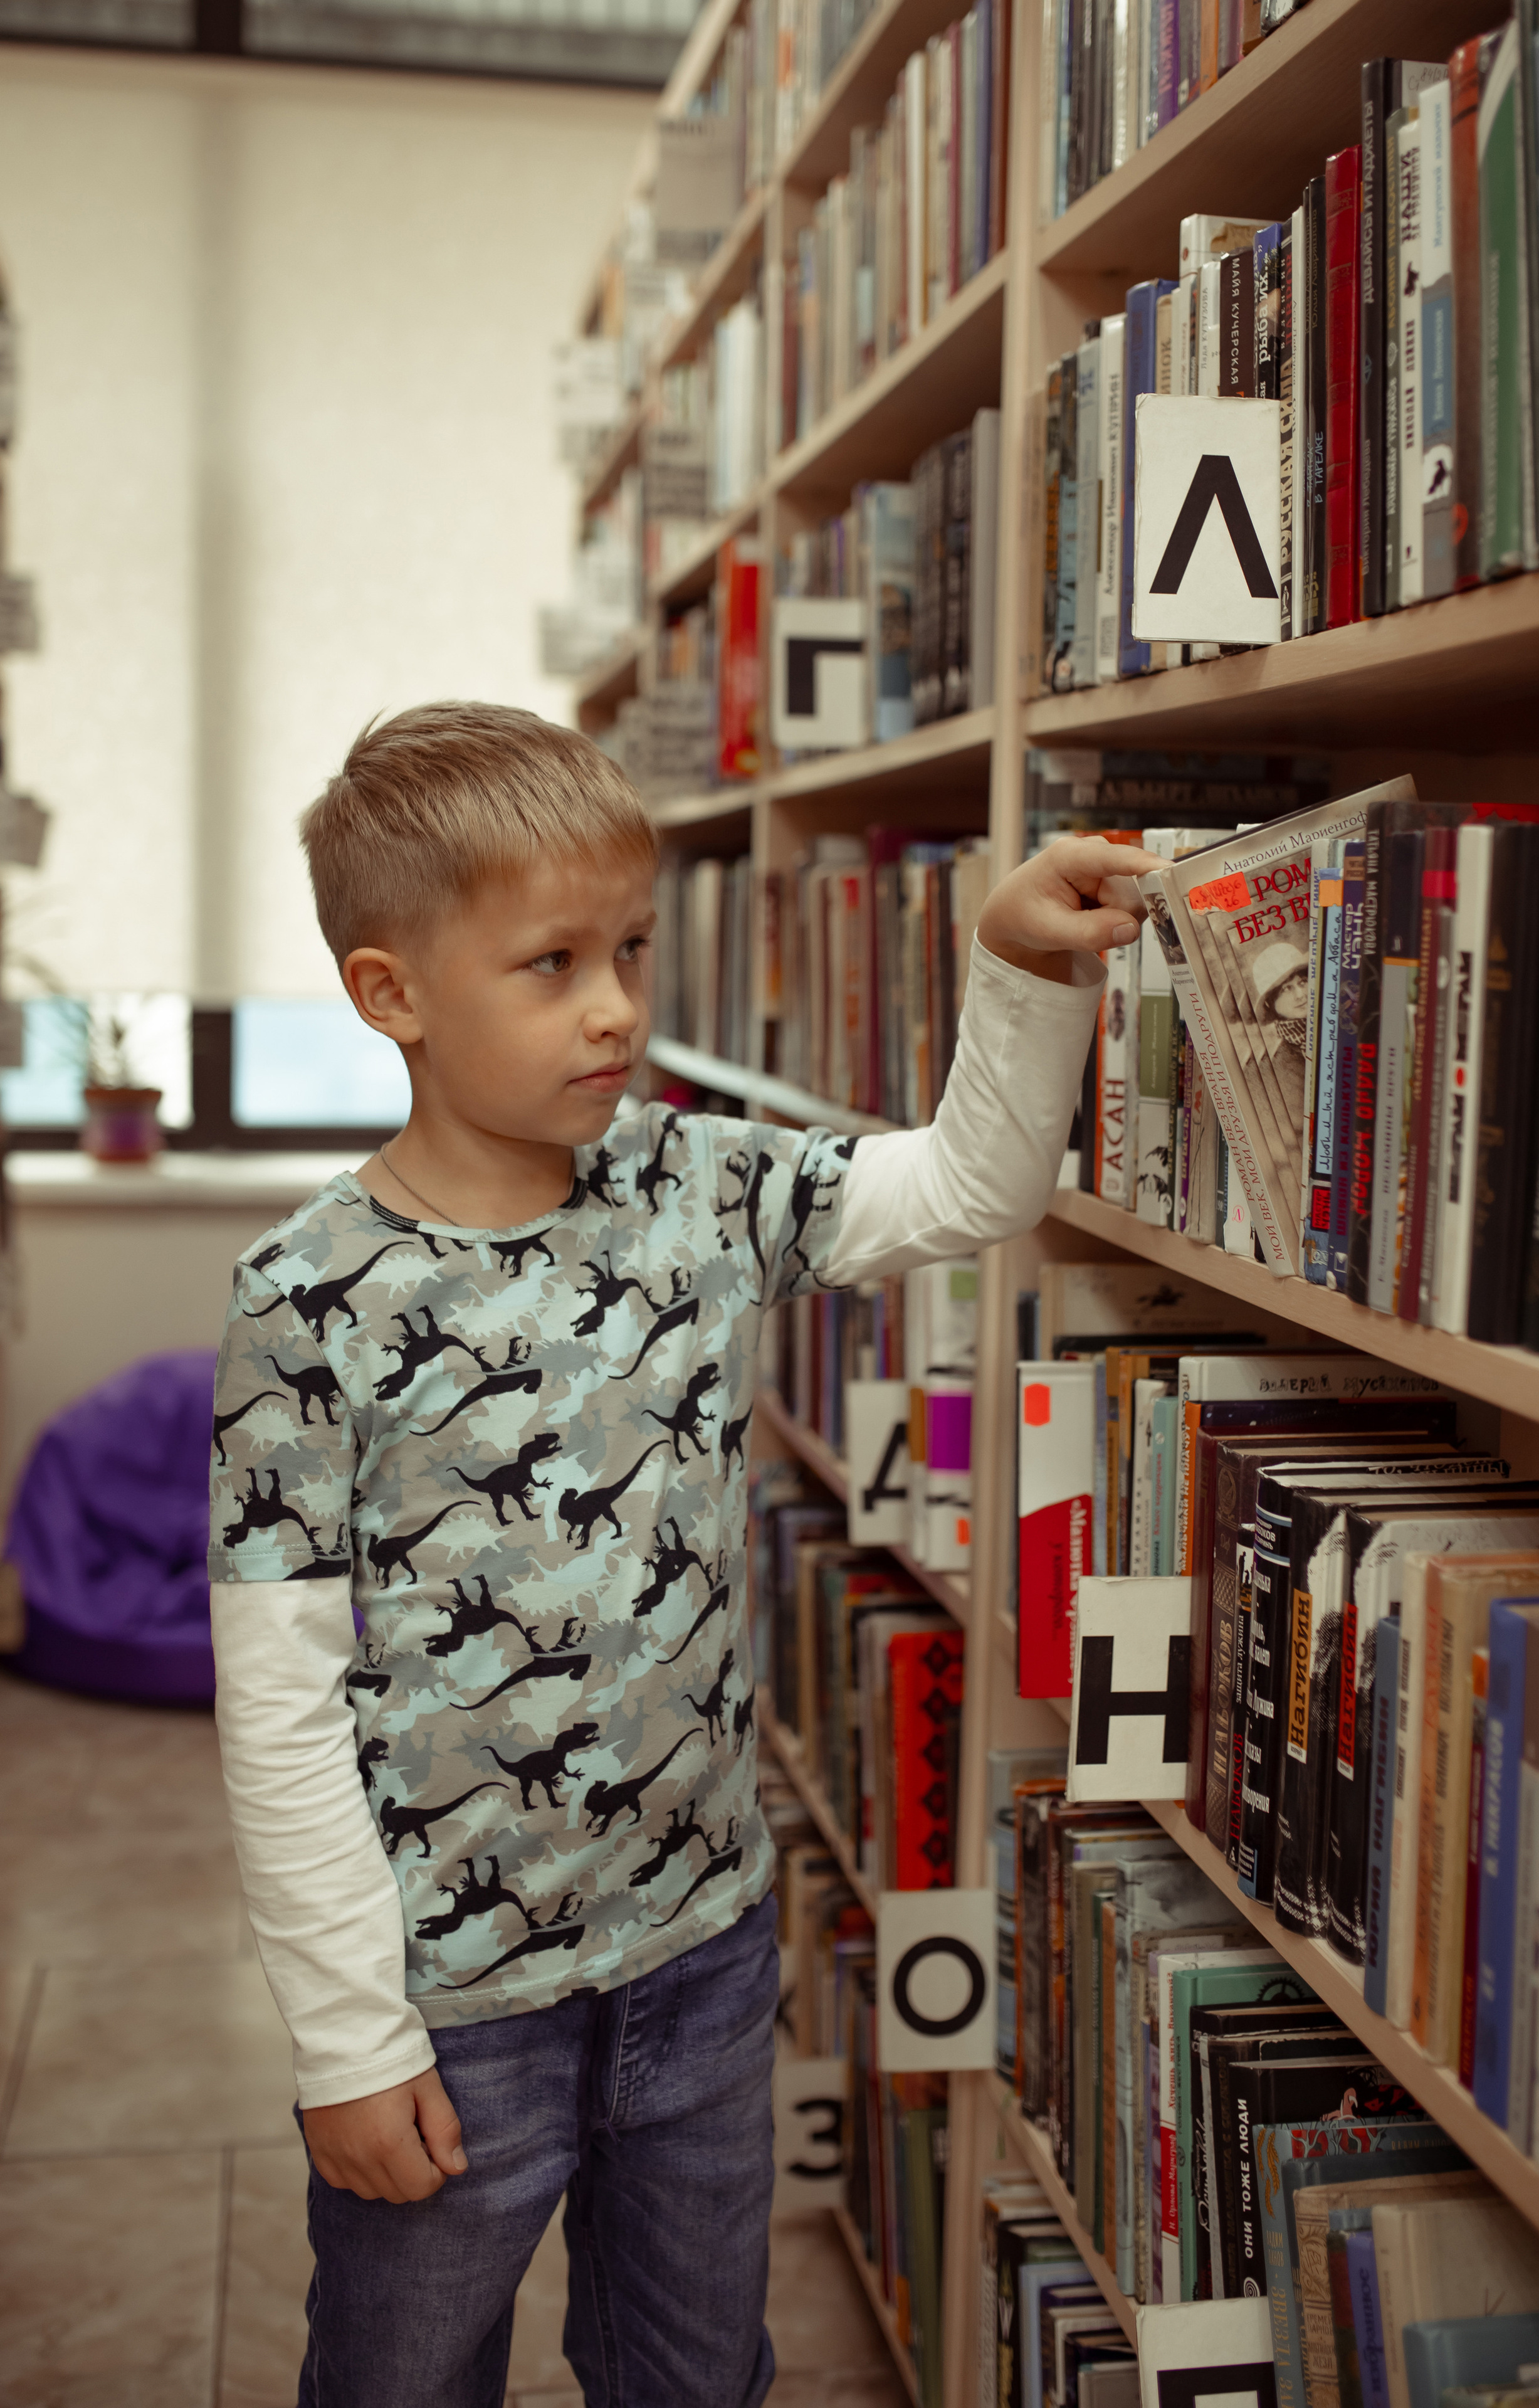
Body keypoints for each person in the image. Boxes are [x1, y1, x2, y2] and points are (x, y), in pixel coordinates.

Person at [209, 701, 1153, 2408]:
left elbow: (964, 1192)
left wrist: (1024, 967)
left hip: (703, 1962)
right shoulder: (303, 1303)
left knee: (698, 2377)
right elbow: (277, 1710)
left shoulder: (694, 1187)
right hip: (451, 2011)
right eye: (554, 963)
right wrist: (349, 2042)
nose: (621, 1006)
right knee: (403, 2380)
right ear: (392, 995)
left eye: (632, 949)